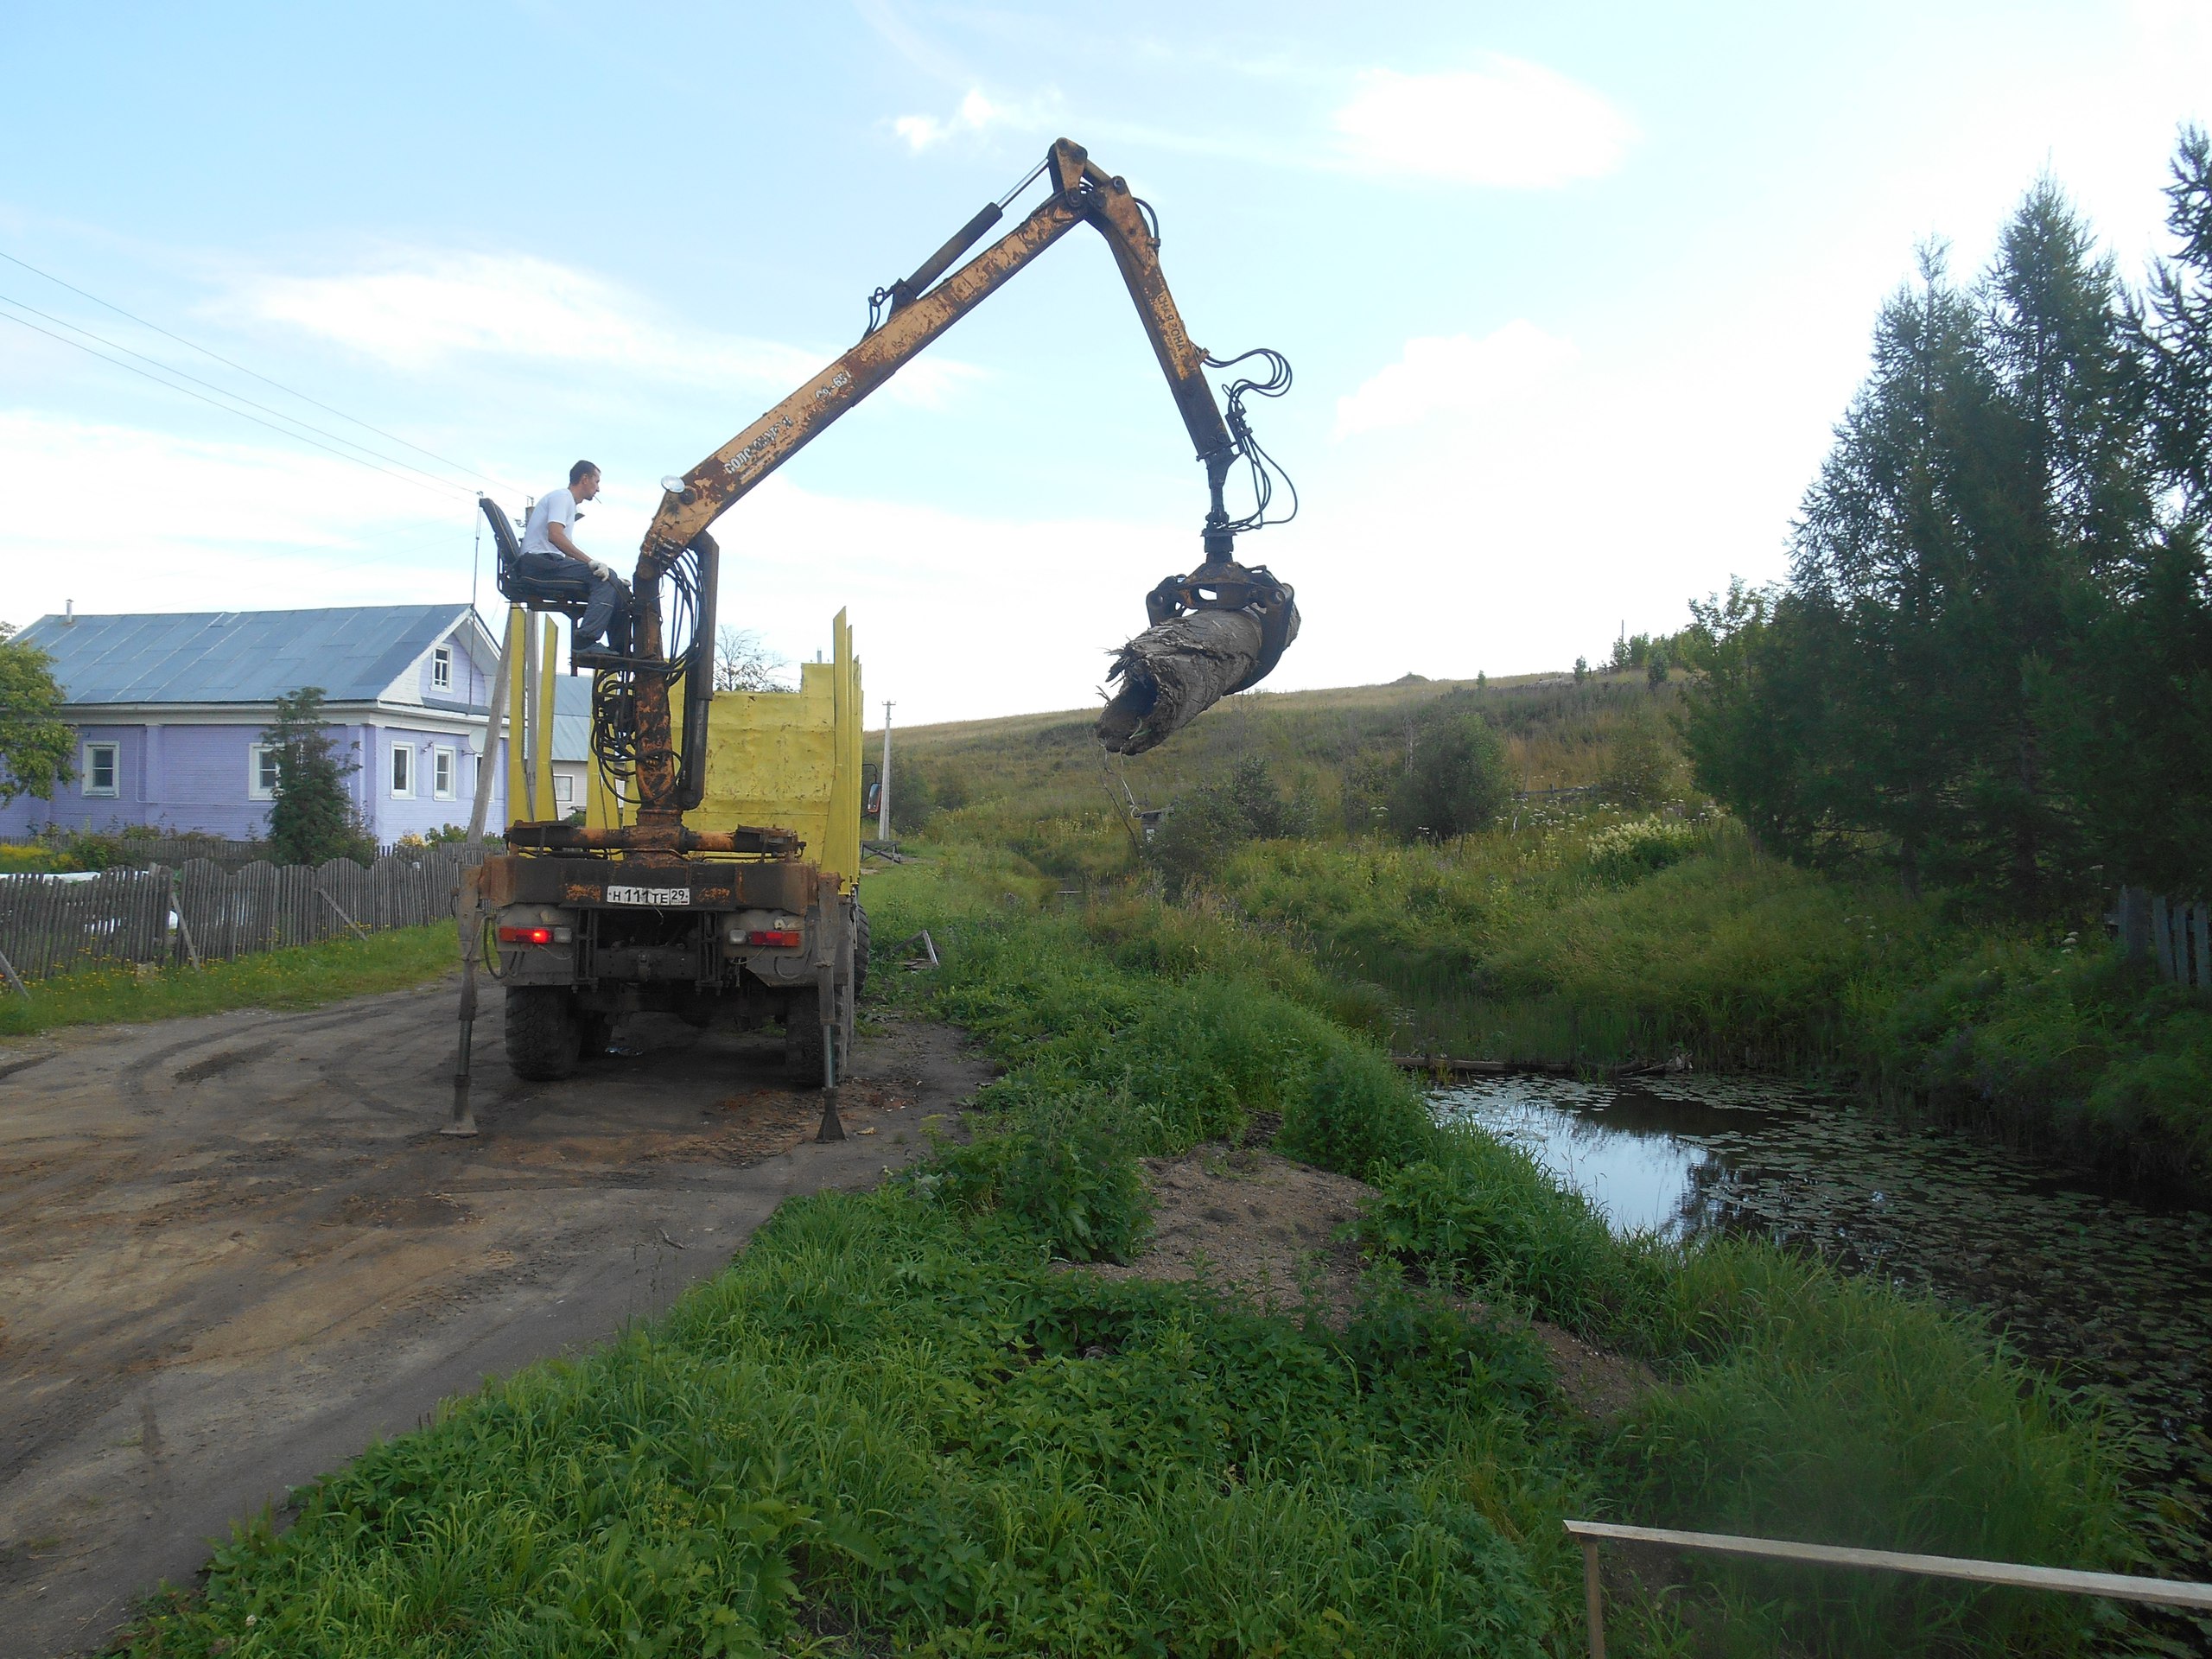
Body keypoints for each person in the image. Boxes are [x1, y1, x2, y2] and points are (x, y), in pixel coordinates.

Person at [513, 461, 631, 652]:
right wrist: (591, 563)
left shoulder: (567, 502)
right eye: (596, 481)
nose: (598, 488)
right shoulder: (562, 497)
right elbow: (555, 536)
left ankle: (620, 651)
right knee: (605, 579)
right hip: (538, 564)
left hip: (548, 563)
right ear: (584, 479)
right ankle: (585, 641)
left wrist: (613, 578)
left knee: (615, 584)